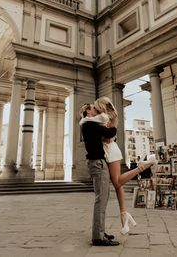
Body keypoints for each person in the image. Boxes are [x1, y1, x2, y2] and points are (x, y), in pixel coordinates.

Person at [94, 96, 156, 234]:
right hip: (110, 150)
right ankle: (124, 214)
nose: (95, 110)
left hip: (111, 151)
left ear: (101, 107)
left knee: (117, 182)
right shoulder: (109, 118)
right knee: (118, 185)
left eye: (96, 107)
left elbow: (106, 137)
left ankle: (142, 167)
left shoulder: (105, 118)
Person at [79, 103, 120, 246]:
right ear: (87, 112)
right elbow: (110, 133)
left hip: (95, 162)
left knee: (102, 198)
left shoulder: (88, 124)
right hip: (98, 163)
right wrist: (113, 121)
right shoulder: (90, 124)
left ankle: (100, 231)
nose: (95, 109)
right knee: (101, 200)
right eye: (92, 108)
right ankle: (98, 237)